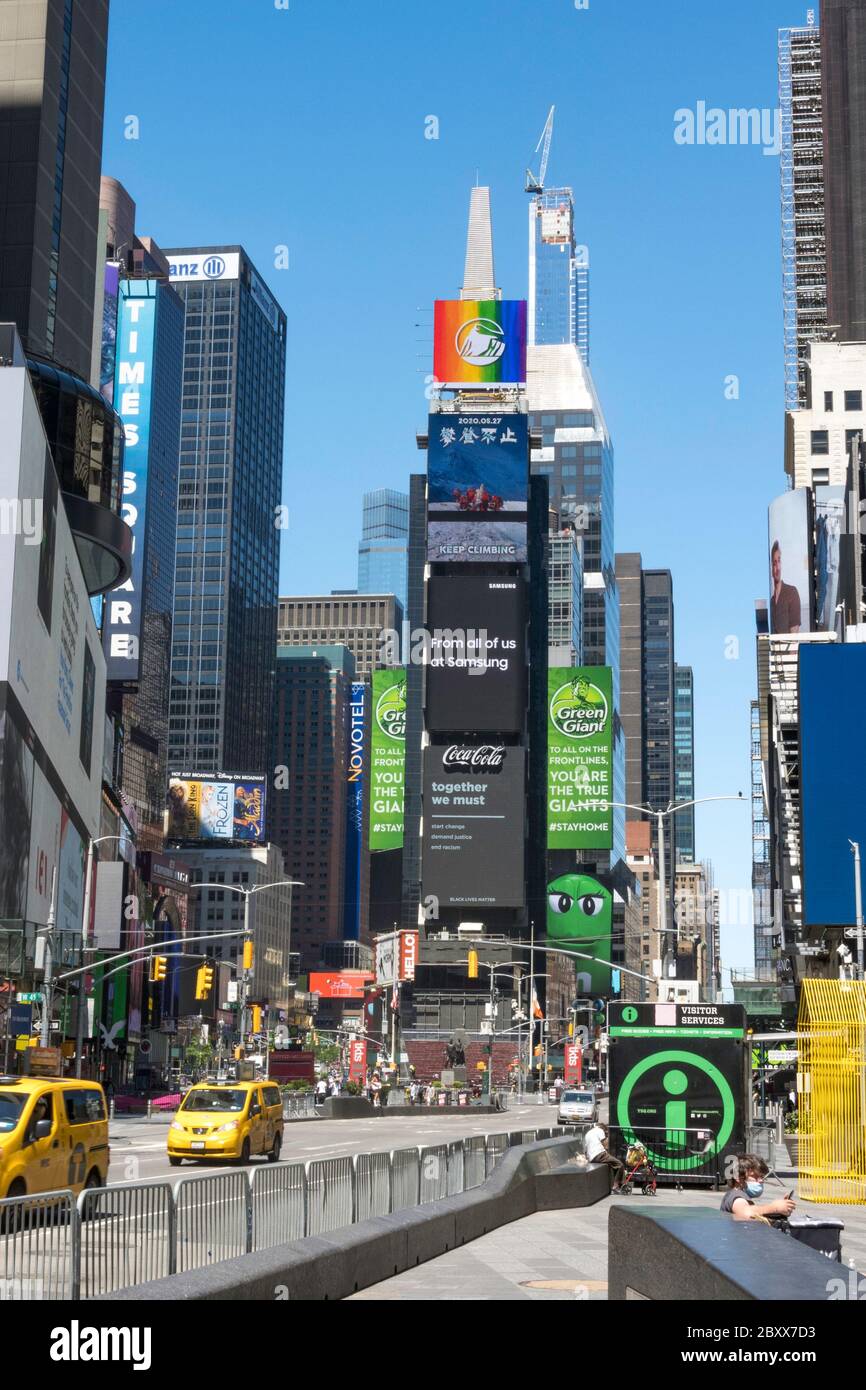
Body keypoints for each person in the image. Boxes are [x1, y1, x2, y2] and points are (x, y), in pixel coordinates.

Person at [720, 1155, 796, 1222]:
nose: (760, 1180)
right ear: (738, 1178)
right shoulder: (737, 1197)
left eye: (761, 1177)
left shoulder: (735, 1194)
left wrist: (780, 1210)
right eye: (755, 1176)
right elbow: (746, 1213)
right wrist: (774, 1207)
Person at [770, 540, 802, 635]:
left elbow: (794, 638)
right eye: (774, 563)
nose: (777, 567)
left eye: (779, 561)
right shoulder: (771, 601)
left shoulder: (791, 592)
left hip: (789, 649)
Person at [584, 1121, 625, 1192]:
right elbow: (605, 1145)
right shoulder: (600, 1131)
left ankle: (614, 1184)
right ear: (604, 1129)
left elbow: (585, 1150)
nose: (606, 1134)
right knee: (619, 1164)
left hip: (591, 1157)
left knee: (612, 1163)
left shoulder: (588, 1133)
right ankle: (616, 1185)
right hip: (600, 1154)